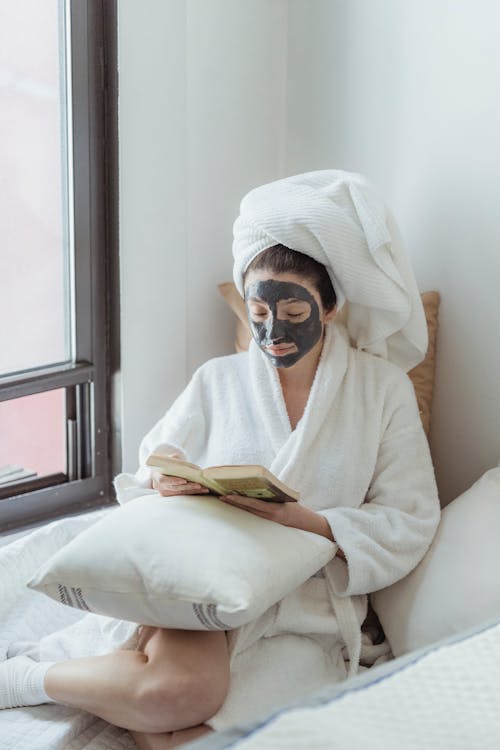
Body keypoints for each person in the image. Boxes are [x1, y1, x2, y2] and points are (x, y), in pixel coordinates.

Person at [0, 170, 440, 750]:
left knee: (225, 732)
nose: (274, 332)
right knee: (174, 695)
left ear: (330, 308)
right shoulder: (218, 380)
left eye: (294, 313)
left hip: (298, 605)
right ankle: (22, 677)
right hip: (206, 581)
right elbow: (148, 472)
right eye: (259, 314)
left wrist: (303, 522)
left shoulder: (382, 391)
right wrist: (170, 480)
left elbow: (409, 519)